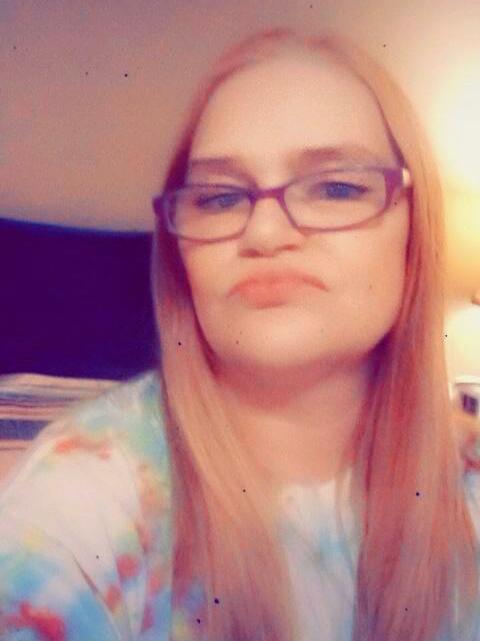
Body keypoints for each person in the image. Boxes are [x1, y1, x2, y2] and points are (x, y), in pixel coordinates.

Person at [0, 27, 479, 641]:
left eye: (337, 187)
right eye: (220, 198)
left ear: (413, 233)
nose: (265, 233)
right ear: (181, 258)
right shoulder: (80, 502)